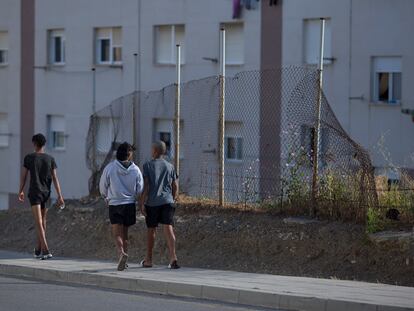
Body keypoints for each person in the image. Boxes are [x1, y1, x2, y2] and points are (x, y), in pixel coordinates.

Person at [18, 133, 64, 260]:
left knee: (39, 222)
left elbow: (24, 176)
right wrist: (60, 195)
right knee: (42, 221)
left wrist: (20, 190)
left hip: (35, 192)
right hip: (47, 193)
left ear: (34, 143)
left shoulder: (29, 158)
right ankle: (38, 250)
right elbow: (55, 178)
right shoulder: (50, 159)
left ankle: (45, 249)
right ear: (44, 144)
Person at [100, 142, 143, 271]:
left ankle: (121, 253)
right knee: (125, 233)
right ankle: (125, 260)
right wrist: (134, 196)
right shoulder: (135, 169)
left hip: (115, 203)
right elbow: (140, 188)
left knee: (116, 233)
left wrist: (105, 196)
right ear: (129, 155)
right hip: (129, 204)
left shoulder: (110, 168)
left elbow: (103, 185)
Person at [139, 141, 180, 269]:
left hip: (152, 203)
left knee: (151, 229)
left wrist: (141, 203)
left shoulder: (147, 166)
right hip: (167, 201)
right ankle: (173, 257)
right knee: (168, 228)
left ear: (155, 151)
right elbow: (175, 186)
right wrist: (172, 198)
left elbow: (146, 186)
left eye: (152, 149)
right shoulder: (170, 166)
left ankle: (149, 259)